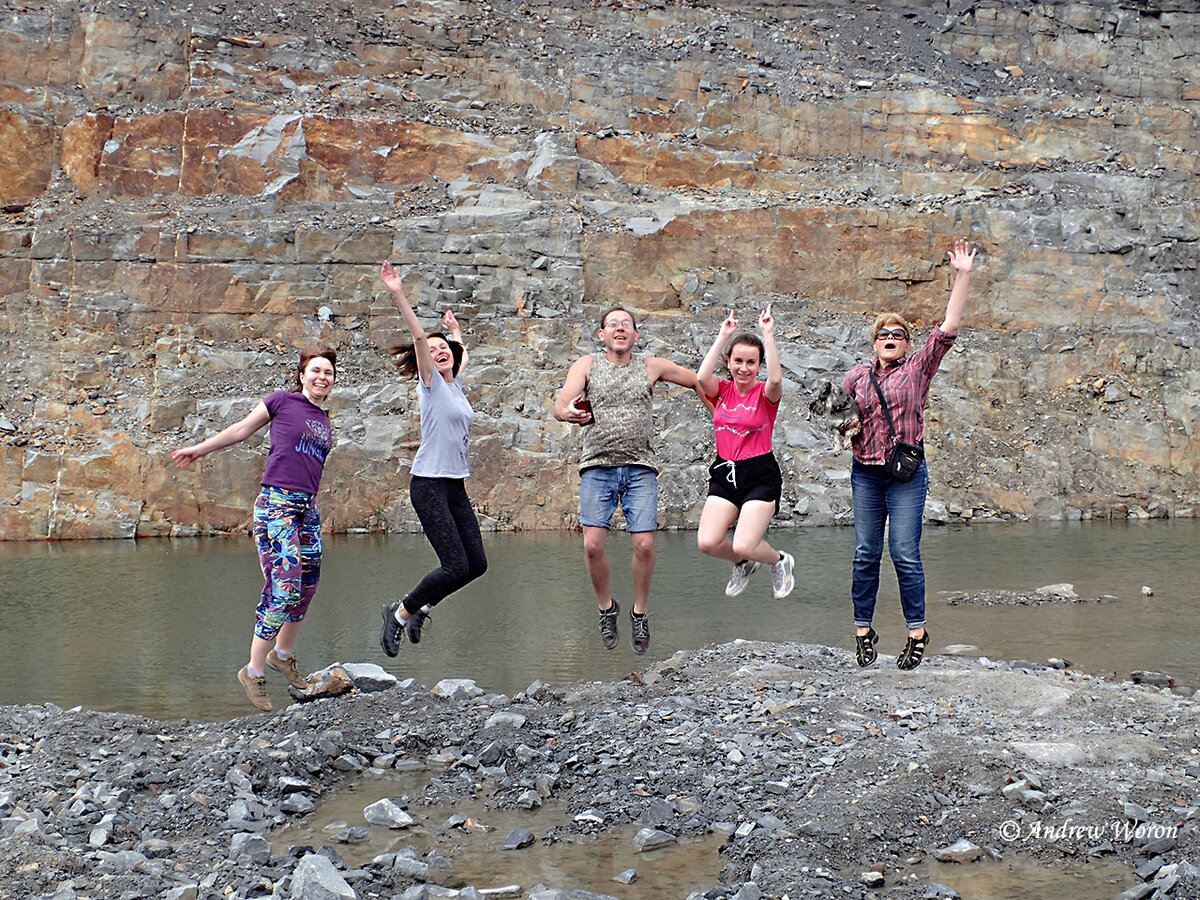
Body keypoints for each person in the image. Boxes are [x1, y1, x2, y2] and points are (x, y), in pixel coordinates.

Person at [171, 346, 337, 712]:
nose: (322, 377)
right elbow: (242, 430)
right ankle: (254, 671)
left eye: (328, 373)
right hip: (276, 504)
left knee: (308, 586)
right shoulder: (281, 402)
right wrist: (199, 449)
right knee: (285, 586)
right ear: (302, 374)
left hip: (306, 510)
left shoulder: (325, 421)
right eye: (316, 370)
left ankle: (283, 655)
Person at [842, 239, 977, 670]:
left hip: (905, 475)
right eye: (883, 334)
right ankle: (863, 631)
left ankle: (917, 632)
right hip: (865, 472)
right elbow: (843, 417)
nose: (890, 339)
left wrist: (963, 274)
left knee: (903, 551)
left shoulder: (918, 368)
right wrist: (849, 426)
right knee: (866, 552)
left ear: (906, 344)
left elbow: (948, 328)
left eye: (897, 335)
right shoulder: (856, 376)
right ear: (873, 342)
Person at [553, 306, 700, 655]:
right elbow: (560, 404)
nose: (620, 329)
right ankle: (607, 608)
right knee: (592, 545)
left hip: (640, 467)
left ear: (635, 335)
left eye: (626, 325)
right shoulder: (587, 364)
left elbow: (697, 379)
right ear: (601, 334)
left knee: (645, 545)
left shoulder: (651, 365)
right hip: (597, 466)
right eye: (612, 325)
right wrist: (568, 412)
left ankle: (639, 612)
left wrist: (723, 412)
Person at [378, 261, 487, 657]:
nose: (439, 351)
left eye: (447, 350)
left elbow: (461, 353)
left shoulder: (456, 385)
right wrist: (398, 293)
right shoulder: (431, 386)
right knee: (455, 565)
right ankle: (400, 612)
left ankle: (423, 606)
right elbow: (421, 337)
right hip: (428, 484)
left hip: (453, 484)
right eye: (435, 350)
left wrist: (456, 333)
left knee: (476, 565)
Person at [695, 305, 794, 599]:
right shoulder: (722, 389)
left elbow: (776, 380)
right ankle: (743, 564)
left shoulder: (765, 394)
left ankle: (779, 561)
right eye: (738, 360)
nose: (744, 367)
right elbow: (701, 378)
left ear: (759, 365)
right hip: (725, 472)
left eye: (751, 362)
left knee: (744, 542)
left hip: (759, 474)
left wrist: (768, 333)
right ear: (729, 362)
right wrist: (723, 334)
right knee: (708, 542)